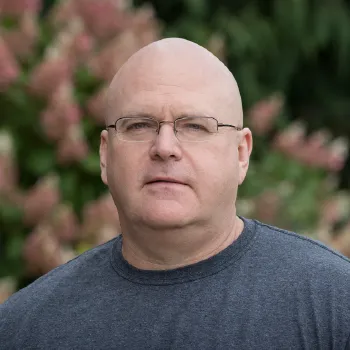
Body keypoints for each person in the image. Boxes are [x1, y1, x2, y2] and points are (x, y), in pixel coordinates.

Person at [1, 38, 350, 350]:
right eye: (138, 125)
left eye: (195, 126)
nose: (165, 147)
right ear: (105, 156)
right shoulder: (24, 328)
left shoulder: (333, 304)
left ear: (241, 154)